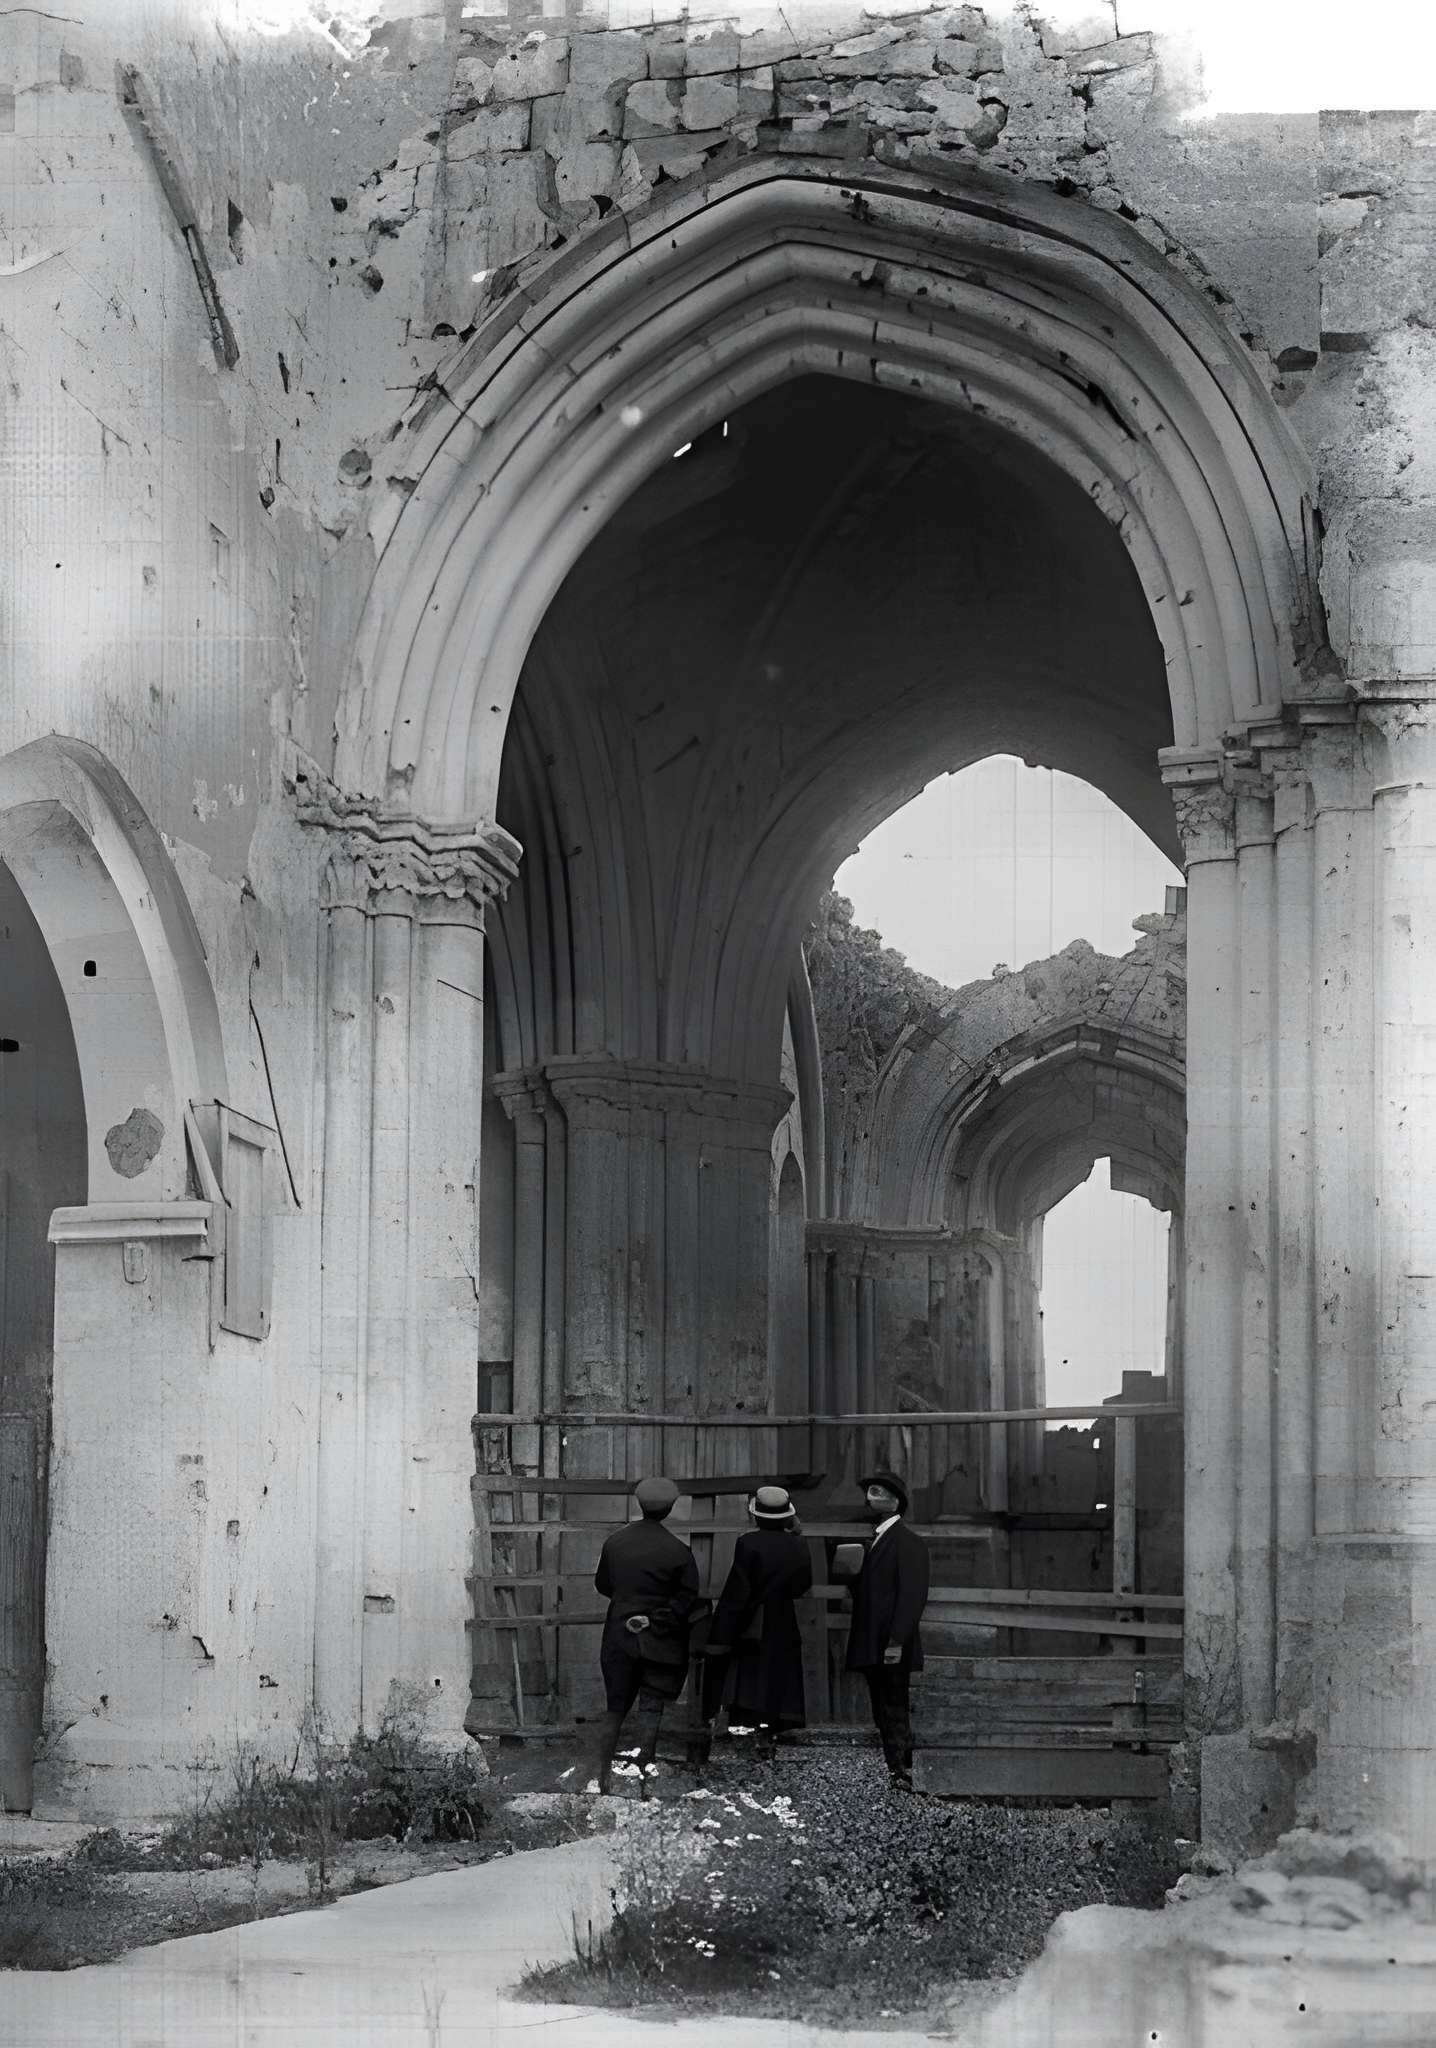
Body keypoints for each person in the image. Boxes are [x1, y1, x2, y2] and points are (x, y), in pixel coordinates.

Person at [592, 1475, 701, 1795]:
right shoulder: (679, 1551)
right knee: (651, 1708)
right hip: (660, 1639)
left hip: (619, 1636)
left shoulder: (615, 1542)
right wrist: (653, 1619)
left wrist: (630, 1606)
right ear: (669, 1507)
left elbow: (603, 1586)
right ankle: (642, 1783)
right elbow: (686, 1599)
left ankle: (603, 1780)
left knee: (615, 1708)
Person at [701, 1484, 814, 1757]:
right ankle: (769, 1731)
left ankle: (749, 1728)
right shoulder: (798, 1544)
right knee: (778, 1673)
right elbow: (802, 1585)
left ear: (756, 1515)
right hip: (783, 1615)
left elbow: (740, 1587)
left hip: (754, 1616)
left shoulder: (748, 1543)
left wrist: (724, 1625)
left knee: (750, 1673)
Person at [839, 1469, 930, 1792]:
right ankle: (897, 1769)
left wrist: (896, 1641)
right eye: (870, 1492)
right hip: (872, 1641)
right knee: (882, 1707)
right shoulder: (876, 1540)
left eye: (877, 1492)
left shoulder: (908, 1543)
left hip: (890, 1643)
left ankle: (904, 1770)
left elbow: (912, 1596)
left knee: (893, 1706)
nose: (869, 1498)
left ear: (895, 1500)